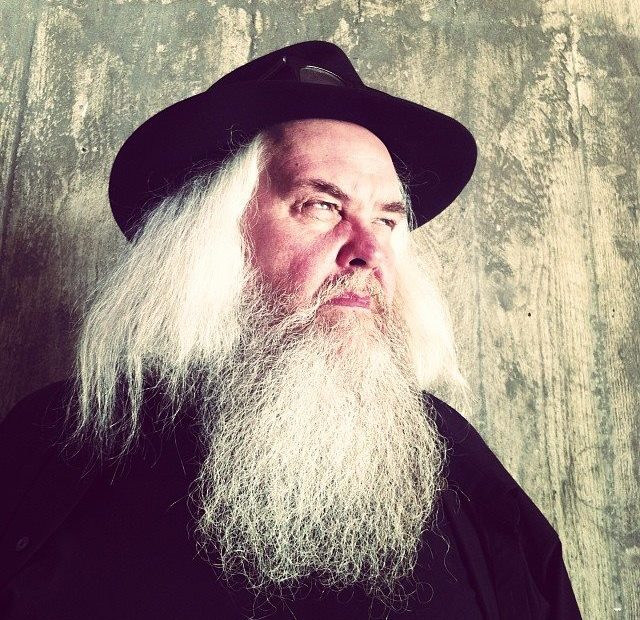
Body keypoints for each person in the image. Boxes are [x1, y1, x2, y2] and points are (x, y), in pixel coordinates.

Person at [0, 41, 581, 619]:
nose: (370, 251)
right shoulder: (54, 445)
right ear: (209, 238)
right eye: (322, 206)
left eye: (387, 219)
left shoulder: (453, 456)